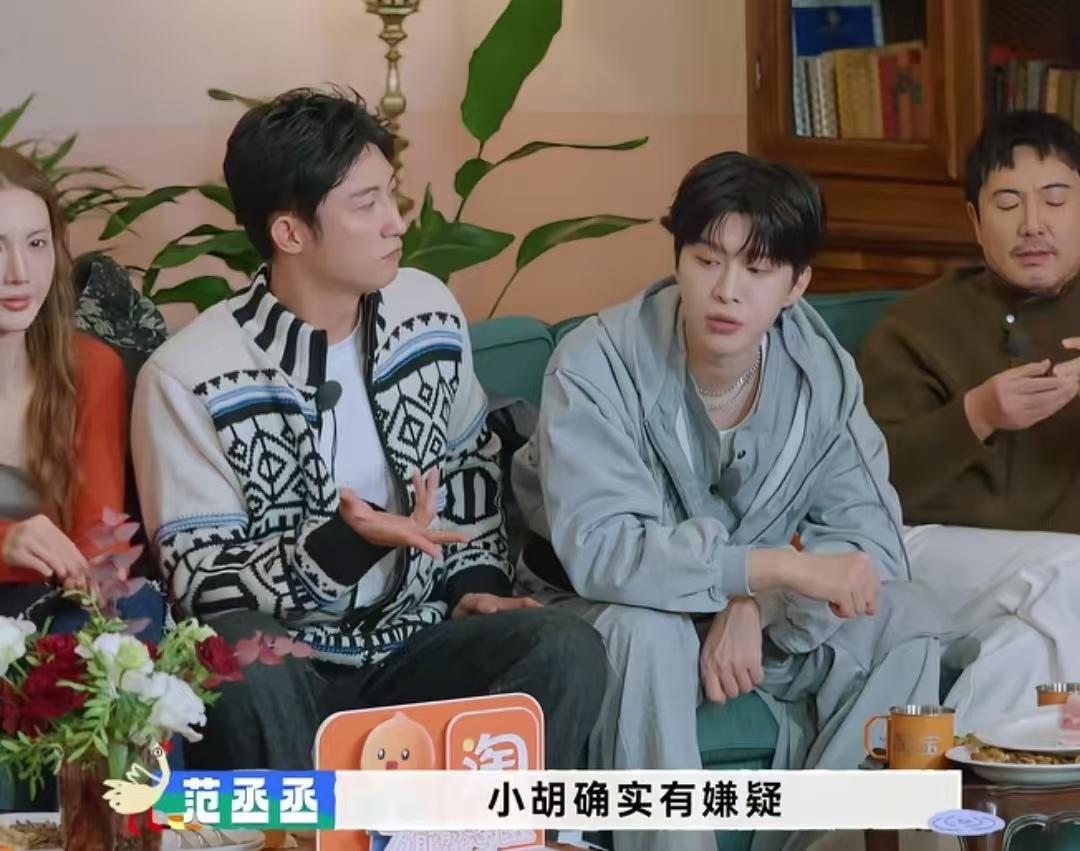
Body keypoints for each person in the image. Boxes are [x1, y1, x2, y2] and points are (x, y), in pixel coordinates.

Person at [131, 87, 606, 772]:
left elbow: (468, 465)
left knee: (564, 646)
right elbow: (203, 584)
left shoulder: (427, 312)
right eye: (365, 204)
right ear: (290, 232)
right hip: (288, 664)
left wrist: (470, 586)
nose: (394, 223)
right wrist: (344, 546)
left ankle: (479, 828)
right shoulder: (188, 376)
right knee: (236, 653)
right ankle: (305, 827)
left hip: (414, 645)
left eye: (391, 194)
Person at [512, 151, 949, 851]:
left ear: (797, 283)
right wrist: (763, 570)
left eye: (758, 268)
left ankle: (825, 844)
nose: (726, 291)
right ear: (678, 259)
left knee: (907, 617)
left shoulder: (823, 376)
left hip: (755, 617)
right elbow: (605, 550)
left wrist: (755, 601)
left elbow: (872, 542)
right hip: (607, 608)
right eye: (706, 260)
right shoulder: (597, 361)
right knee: (648, 634)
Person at [859, 110, 1080, 727]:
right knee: (1074, 572)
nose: (1033, 223)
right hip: (929, 557)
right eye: (1008, 203)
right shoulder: (915, 326)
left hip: (1056, 586)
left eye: (1055, 199)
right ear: (975, 222)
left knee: (1027, 649)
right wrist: (976, 415)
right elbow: (869, 485)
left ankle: (944, 789)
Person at [0, 147, 128, 621]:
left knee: (129, 611)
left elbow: (102, 538)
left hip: (52, 612)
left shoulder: (92, 367)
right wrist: (6, 542)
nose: (19, 273)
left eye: (36, 244)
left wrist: (93, 572)